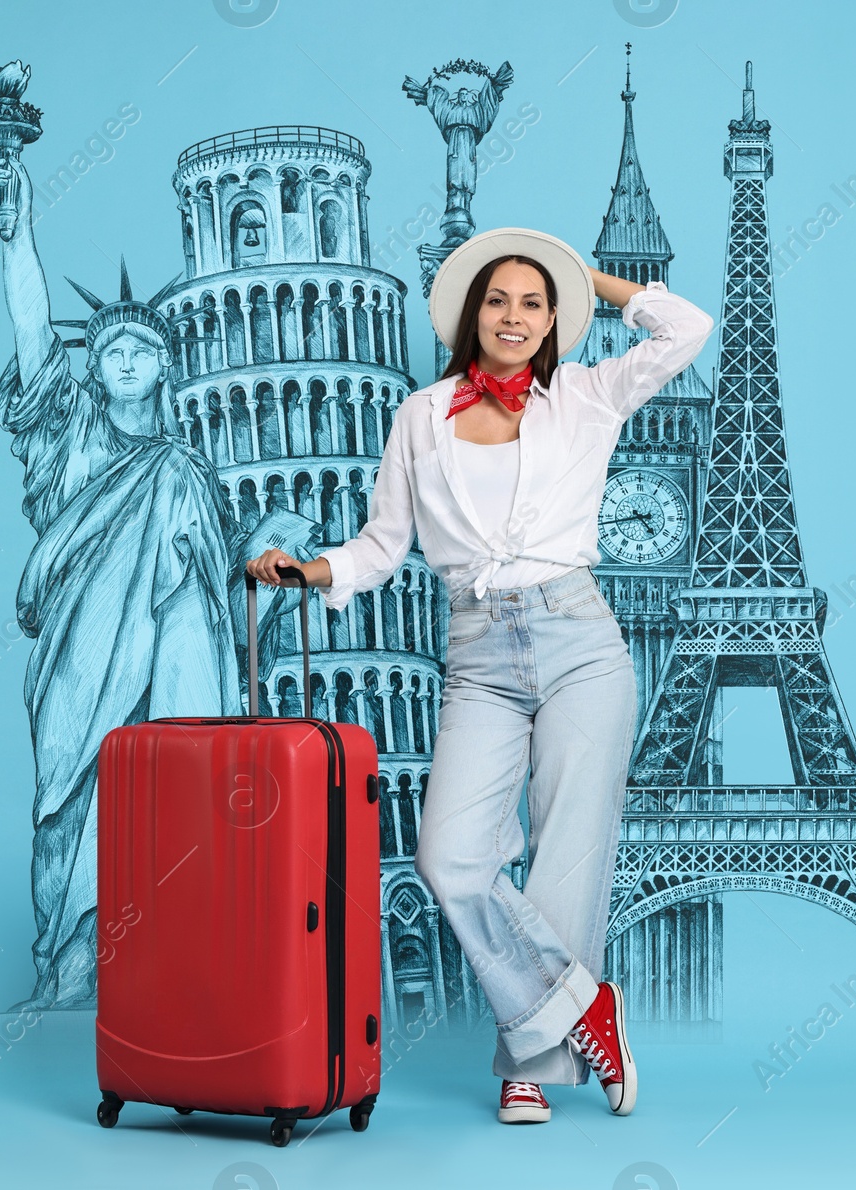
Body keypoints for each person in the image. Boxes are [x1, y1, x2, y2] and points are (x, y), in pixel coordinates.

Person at [247, 227, 715, 1123]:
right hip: (480, 652)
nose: (513, 316)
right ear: (472, 313)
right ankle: (585, 1005)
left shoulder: (587, 395)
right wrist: (313, 572)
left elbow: (686, 330)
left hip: (580, 636)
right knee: (451, 858)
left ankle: (529, 1063)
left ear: (553, 322)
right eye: (497, 299)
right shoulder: (422, 416)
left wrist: (593, 280)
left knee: (567, 855)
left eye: (535, 303)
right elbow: (385, 545)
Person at [0, 153, 289, 1009]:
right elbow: (31, 329)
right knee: (71, 800)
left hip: (171, 665)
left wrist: (267, 546)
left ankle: (165, 955)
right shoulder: (69, 433)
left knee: (169, 776)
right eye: (112, 348)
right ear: (94, 367)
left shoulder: (186, 470)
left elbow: (221, 600)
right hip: (79, 658)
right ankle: (75, 965)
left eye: (141, 349)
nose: (124, 359)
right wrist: (18, 231)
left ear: (165, 367)